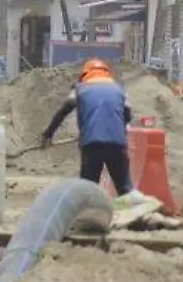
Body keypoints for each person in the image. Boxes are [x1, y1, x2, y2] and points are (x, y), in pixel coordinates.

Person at [41, 59, 144, 203]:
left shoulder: (80, 89)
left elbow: (64, 111)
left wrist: (48, 134)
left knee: (88, 188)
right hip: (117, 142)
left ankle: (88, 219)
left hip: (91, 143)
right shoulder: (119, 90)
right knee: (124, 187)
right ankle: (137, 214)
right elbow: (127, 116)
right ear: (106, 74)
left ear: (85, 74)